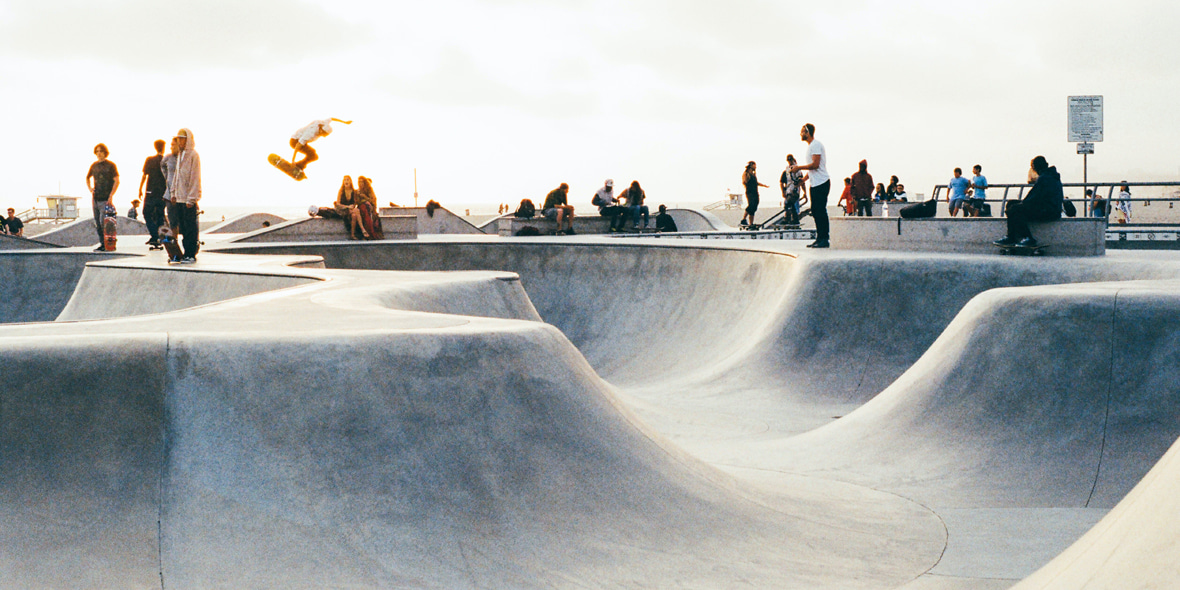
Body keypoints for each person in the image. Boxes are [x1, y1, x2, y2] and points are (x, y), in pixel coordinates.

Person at [994, 155, 1062, 248]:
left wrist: (1021, 205)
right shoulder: (1051, 175)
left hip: (1049, 211)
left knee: (1015, 209)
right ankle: (1012, 236)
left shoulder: (1044, 178)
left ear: (1036, 168)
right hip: (1050, 208)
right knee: (1012, 204)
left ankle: (1026, 238)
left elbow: (1034, 197)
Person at [788, 123, 830, 248]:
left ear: (808, 132)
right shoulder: (811, 146)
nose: (800, 134)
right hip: (815, 183)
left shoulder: (816, 145)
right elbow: (812, 169)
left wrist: (798, 167)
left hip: (822, 183)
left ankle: (824, 239)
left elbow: (815, 165)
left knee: (820, 210)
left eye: (802, 132)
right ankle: (819, 238)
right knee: (816, 211)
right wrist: (803, 180)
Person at [172, 128, 201, 263]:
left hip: (188, 198)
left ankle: (191, 253)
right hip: (179, 198)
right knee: (183, 227)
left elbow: (195, 177)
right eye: (178, 139)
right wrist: (173, 193)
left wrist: (192, 198)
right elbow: (176, 177)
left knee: (190, 228)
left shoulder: (193, 155)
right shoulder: (180, 155)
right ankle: (186, 252)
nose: (180, 141)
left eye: (182, 139)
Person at [85, 143, 120, 251]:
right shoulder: (94, 165)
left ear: (105, 152)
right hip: (95, 197)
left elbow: (117, 181)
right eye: (97, 151)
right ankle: (102, 243)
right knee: (97, 223)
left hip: (105, 198)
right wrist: (90, 189)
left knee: (103, 222)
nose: (99, 153)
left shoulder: (110, 165)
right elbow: (87, 178)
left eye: (101, 151)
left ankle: (109, 243)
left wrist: (111, 195)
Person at [138, 139, 167, 247]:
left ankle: (154, 235)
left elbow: (144, 175)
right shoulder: (166, 160)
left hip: (151, 191)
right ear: (163, 148)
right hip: (162, 193)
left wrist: (140, 189)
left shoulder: (150, 160)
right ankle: (158, 237)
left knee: (146, 213)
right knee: (160, 215)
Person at [161, 137, 181, 235]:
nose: (171, 147)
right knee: (172, 219)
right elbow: (162, 166)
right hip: (169, 194)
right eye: (171, 145)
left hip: (181, 194)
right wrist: (167, 177)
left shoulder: (183, 157)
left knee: (182, 220)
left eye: (174, 145)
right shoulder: (168, 158)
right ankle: (174, 238)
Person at [779, 154, 806, 225]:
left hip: (795, 190)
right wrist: (783, 191)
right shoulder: (787, 170)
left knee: (790, 204)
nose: (790, 162)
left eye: (790, 160)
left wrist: (804, 192)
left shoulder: (797, 169)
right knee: (790, 205)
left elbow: (802, 181)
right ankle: (793, 219)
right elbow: (781, 182)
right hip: (788, 190)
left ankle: (790, 219)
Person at [741, 161, 768, 227]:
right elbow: (745, 182)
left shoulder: (753, 174)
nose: (755, 167)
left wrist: (763, 185)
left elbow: (756, 183)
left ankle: (751, 223)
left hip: (755, 192)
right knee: (751, 205)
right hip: (750, 192)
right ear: (751, 166)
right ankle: (743, 219)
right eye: (754, 165)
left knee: (754, 207)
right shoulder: (746, 174)